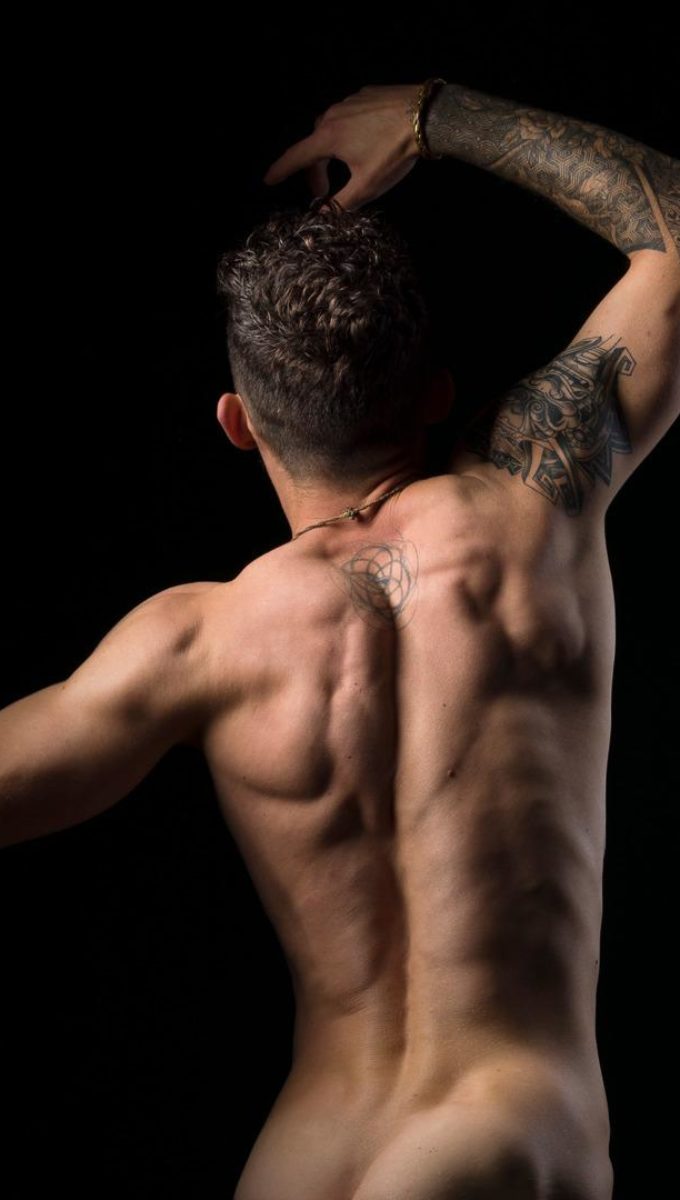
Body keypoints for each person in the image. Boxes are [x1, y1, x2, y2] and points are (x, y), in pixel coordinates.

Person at [1, 78, 678, 1200]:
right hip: (501, 1135)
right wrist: (429, 115)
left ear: (238, 423)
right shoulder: (531, 511)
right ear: (436, 393)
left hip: (302, 1157)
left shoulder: (194, 641)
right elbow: (674, 233)